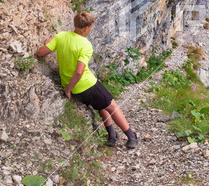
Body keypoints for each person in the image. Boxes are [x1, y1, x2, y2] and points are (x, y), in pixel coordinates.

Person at [37, 11, 138, 149]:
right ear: (86, 28)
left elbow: (40, 53)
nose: (90, 30)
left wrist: (49, 44)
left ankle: (112, 135)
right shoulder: (85, 45)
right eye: (91, 27)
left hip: (72, 87)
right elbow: (79, 72)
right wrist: (68, 90)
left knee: (101, 103)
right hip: (84, 85)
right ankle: (131, 136)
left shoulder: (60, 36)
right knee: (112, 106)